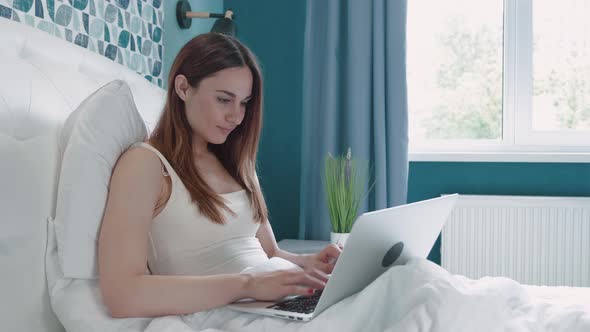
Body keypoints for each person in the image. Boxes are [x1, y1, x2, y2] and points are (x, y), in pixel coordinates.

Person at [97, 33, 342, 319]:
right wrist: (247, 285)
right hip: (218, 314)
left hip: (276, 306)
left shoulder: (237, 161)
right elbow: (122, 296)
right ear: (183, 88)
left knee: (401, 281)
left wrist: (309, 264)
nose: (236, 117)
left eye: (244, 103)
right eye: (224, 100)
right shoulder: (146, 165)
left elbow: (270, 254)